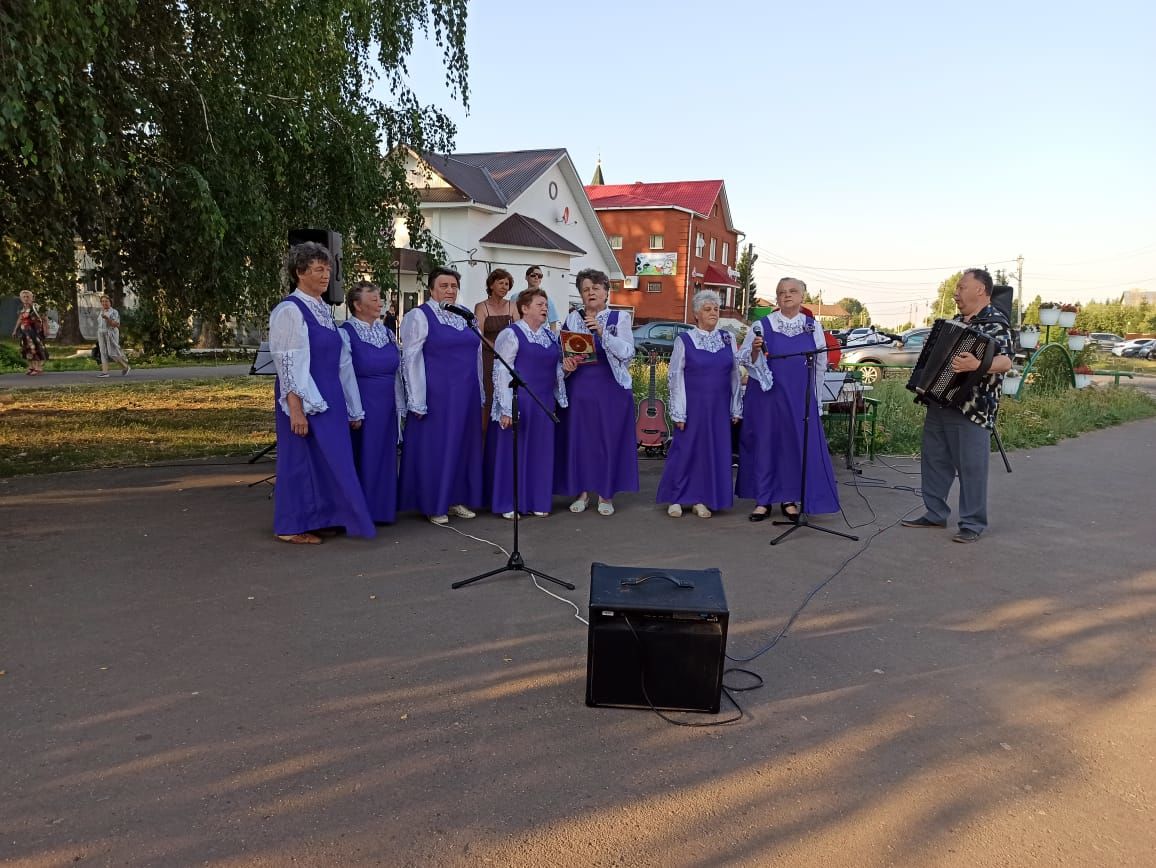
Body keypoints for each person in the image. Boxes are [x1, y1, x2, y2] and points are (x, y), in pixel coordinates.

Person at [268, 242, 375, 544]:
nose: (326, 275)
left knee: (327, 459)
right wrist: (296, 407)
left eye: (327, 269)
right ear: (300, 273)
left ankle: (321, 516)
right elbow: (288, 362)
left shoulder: (324, 310)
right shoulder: (290, 310)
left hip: (330, 394)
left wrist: (353, 407)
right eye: (318, 269)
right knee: (299, 459)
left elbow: (341, 362)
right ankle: (291, 525)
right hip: (304, 394)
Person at [902, 267, 1013, 543]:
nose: (956, 293)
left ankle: (972, 524)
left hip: (972, 408)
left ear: (980, 290)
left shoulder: (996, 323)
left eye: (962, 287)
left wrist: (978, 365)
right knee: (934, 460)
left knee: (971, 467)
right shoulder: (956, 321)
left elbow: (1006, 362)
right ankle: (935, 513)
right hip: (940, 401)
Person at [736, 277, 840, 522]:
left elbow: (820, 365)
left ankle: (789, 498)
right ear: (777, 297)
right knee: (765, 444)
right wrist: (754, 350)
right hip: (766, 397)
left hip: (798, 397)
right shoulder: (762, 325)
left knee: (792, 445)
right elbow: (744, 360)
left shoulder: (812, 326)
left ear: (803, 296)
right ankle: (762, 500)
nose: (787, 296)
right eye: (781, 292)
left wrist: (815, 399)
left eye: (793, 291)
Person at [398, 266, 484, 525]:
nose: (450, 290)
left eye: (454, 286)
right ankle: (433, 502)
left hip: (466, 392)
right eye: (444, 286)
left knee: (462, 446)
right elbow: (410, 359)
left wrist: (479, 391)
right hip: (437, 393)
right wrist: (416, 398)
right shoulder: (419, 316)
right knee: (437, 448)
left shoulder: (466, 315)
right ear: (432, 289)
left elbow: (478, 355)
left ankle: (456, 497)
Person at [553, 268, 638, 516]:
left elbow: (627, 352)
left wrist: (601, 333)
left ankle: (605, 494)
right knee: (580, 440)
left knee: (606, 441)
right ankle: (581, 492)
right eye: (585, 289)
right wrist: (566, 363)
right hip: (580, 387)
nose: (590, 293)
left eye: (595, 288)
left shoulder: (619, 318)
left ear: (606, 292)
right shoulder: (572, 319)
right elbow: (563, 352)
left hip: (610, 388)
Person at [657, 290, 742, 518]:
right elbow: (675, 376)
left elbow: (735, 374)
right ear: (696, 314)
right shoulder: (684, 340)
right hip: (692, 406)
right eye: (707, 309)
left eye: (716, 309)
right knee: (685, 451)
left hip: (718, 408)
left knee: (710, 453)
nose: (713, 312)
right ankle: (676, 498)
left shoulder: (728, 338)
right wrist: (679, 412)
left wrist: (736, 406)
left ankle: (701, 499)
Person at [484, 287, 567, 518]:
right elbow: (501, 370)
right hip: (520, 400)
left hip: (544, 402)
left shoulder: (550, 336)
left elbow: (556, 368)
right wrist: (506, 407)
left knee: (540, 452)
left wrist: (567, 368)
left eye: (546, 304)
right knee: (514, 452)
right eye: (540, 304)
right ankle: (508, 503)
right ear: (524, 308)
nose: (544, 308)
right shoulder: (511, 334)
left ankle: (536, 499)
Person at [340, 281, 405, 525]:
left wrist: (402, 405)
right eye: (374, 299)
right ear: (357, 305)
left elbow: (397, 372)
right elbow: (344, 374)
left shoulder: (386, 332)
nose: (380, 303)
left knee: (385, 455)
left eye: (380, 298)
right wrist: (353, 410)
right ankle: (360, 511)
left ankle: (383, 509)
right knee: (364, 454)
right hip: (363, 402)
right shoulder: (345, 333)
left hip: (387, 403)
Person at [474, 268, 515, 433]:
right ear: (491, 285)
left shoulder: (513, 306)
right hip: (488, 357)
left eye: (507, 284)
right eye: (501, 283)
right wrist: (496, 348)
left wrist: (508, 351)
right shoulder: (481, 307)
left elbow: (519, 329)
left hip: (508, 357)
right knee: (489, 397)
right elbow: (478, 335)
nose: (505, 287)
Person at [509, 266, 562, 331]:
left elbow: (553, 323)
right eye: (533, 275)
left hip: (539, 336)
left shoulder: (547, 300)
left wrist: (552, 338)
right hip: (520, 334)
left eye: (540, 276)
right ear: (526, 277)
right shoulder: (515, 297)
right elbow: (510, 319)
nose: (536, 277)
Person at [12, 290, 48, 376]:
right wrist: (15, 330)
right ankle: (31, 366)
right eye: (24, 297)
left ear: (32, 298)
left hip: (35, 332)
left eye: (28, 297)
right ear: (21, 298)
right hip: (25, 333)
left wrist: (46, 329)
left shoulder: (36, 307)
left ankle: (38, 368)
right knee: (26, 349)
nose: (26, 298)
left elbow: (44, 318)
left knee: (35, 348)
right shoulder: (22, 308)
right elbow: (20, 319)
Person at [95, 294, 131, 377]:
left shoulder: (114, 312)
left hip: (111, 333)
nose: (104, 303)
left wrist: (107, 319)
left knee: (112, 353)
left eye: (106, 301)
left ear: (110, 302)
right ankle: (105, 372)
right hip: (101, 333)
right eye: (103, 301)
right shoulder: (101, 311)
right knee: (103, 352)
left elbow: (116, 324)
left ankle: (125, 366)